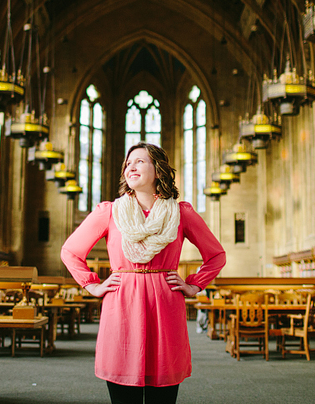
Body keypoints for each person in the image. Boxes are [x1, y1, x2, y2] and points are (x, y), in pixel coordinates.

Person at [61, 142, 226, 404]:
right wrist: (92, 285)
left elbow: (216, 255)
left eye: (140, 161)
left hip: (166, 303)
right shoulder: (110, 212)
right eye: (128, 163)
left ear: (159, 170)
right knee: (123, 395)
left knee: (164, 394)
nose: (131, 167)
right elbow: (70, 251)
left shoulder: (181, 213)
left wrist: (194, 284)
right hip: (122, 302)